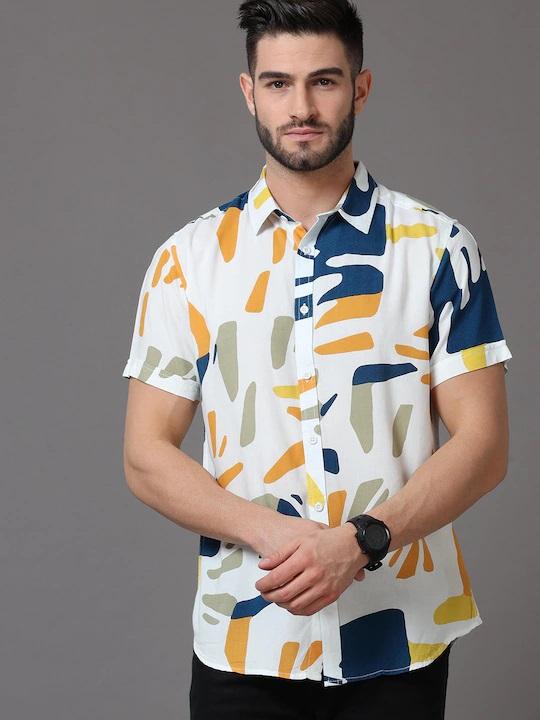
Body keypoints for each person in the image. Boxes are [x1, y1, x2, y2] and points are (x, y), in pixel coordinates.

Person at [121, 1, 513, 718]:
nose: (300, 107)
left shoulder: (439, 248)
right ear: (250, 92)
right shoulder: (187, 260)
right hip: (246, 639)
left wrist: (364, 541)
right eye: (278, 83)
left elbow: (484, 445)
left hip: (399, 639)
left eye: (323, 81)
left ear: (361, 88)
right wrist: (270, 531)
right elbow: (145, 454)